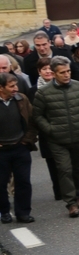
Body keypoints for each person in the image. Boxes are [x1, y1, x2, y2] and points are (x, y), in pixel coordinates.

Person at [31, 56, 79, 218]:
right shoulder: (43, 93)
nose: (66, 75)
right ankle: (71, 203)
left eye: (68, 71)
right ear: (54, 73)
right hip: (57, 140)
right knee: (64, 169)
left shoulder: (78, 87)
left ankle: (77, 195)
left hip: (78, 135)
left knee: (76, 168)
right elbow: (37, 116)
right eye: (62, 72)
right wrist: (50, 129)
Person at [0, 72, 37, 224]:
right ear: (1, 88)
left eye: (16, 85)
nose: (16, 88)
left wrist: (26, 140)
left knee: (23, 181)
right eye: (11, 86)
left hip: (20, 148)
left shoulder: (22, 99)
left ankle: (23, 212)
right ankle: (4, 212)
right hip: (1, 151)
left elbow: (32, 121)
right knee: (1, 183)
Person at [31, 59, 60, 200]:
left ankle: (72, 188)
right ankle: (58, 190)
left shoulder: (63, 86)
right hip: (46, 132)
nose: (48, 71)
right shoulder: (32, 90)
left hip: (63, 129)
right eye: (44, 69)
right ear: (39, 72)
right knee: (52, 162)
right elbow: (33, 114)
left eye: (50, 68)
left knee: (69, 163)